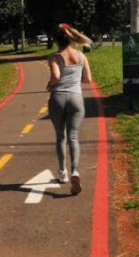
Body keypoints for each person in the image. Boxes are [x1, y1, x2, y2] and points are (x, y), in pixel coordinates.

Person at [46, 23, 93, 195]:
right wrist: (75, 80)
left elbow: (56, 77)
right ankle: (75, 170)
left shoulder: (54, 57)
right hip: (76, 98)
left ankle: (62, 173)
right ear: (71, 39)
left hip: (58, 98)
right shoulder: (81, 56)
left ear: (56, 41)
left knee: (60, 136)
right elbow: (88, 79)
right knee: (73, 136)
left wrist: (49, 85)